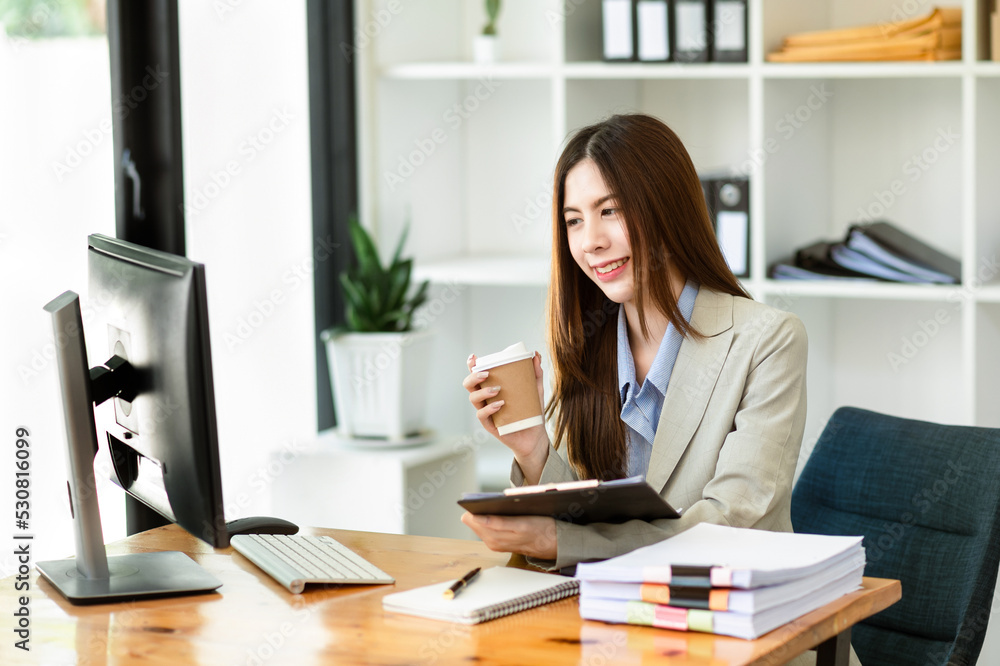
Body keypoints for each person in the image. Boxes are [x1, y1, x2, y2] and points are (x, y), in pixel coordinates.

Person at [461, 113, 807, 572]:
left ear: (667, 207)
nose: (591, 242)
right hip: (624, 621)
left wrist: (561, 541)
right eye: (573, 221)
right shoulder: (587, 346)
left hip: (739, 624)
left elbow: (730, 527)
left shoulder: (768, 341)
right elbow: (587, 513)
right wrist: (532, 449)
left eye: (610, 211)